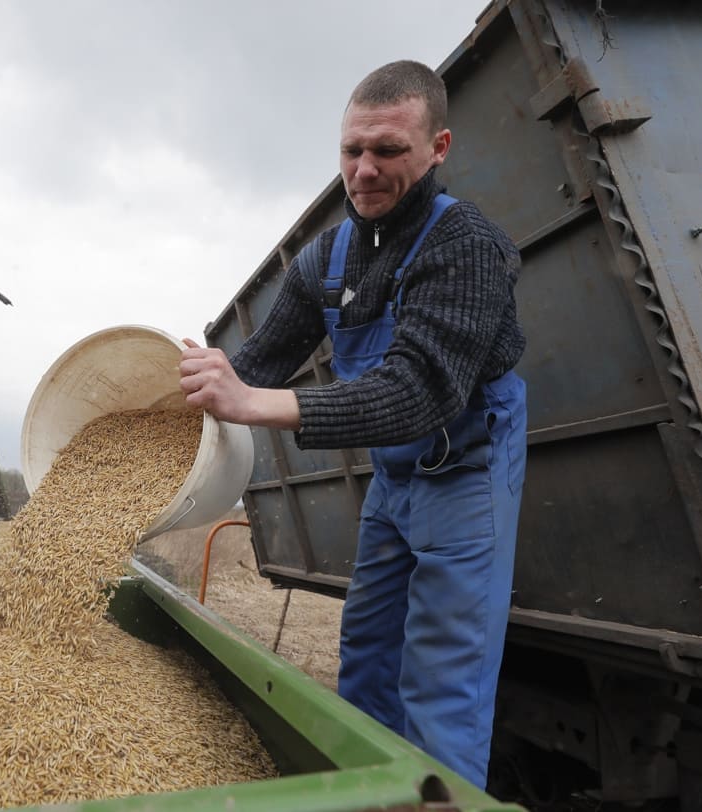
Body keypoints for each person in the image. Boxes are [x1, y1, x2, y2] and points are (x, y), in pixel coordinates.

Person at [178, 59, 527, 789]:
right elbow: (260, 363)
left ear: (439, 148)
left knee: (441, 685)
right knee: (366, 658)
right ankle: (371, 797)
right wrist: (195, 400)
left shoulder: (467, 247)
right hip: (395, 477)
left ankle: (442, 799)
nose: (364, 171)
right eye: (351, 151)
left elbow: (417, 391)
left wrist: (254, 404)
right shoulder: (328, 257)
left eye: (389, 151)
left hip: (466, 470)